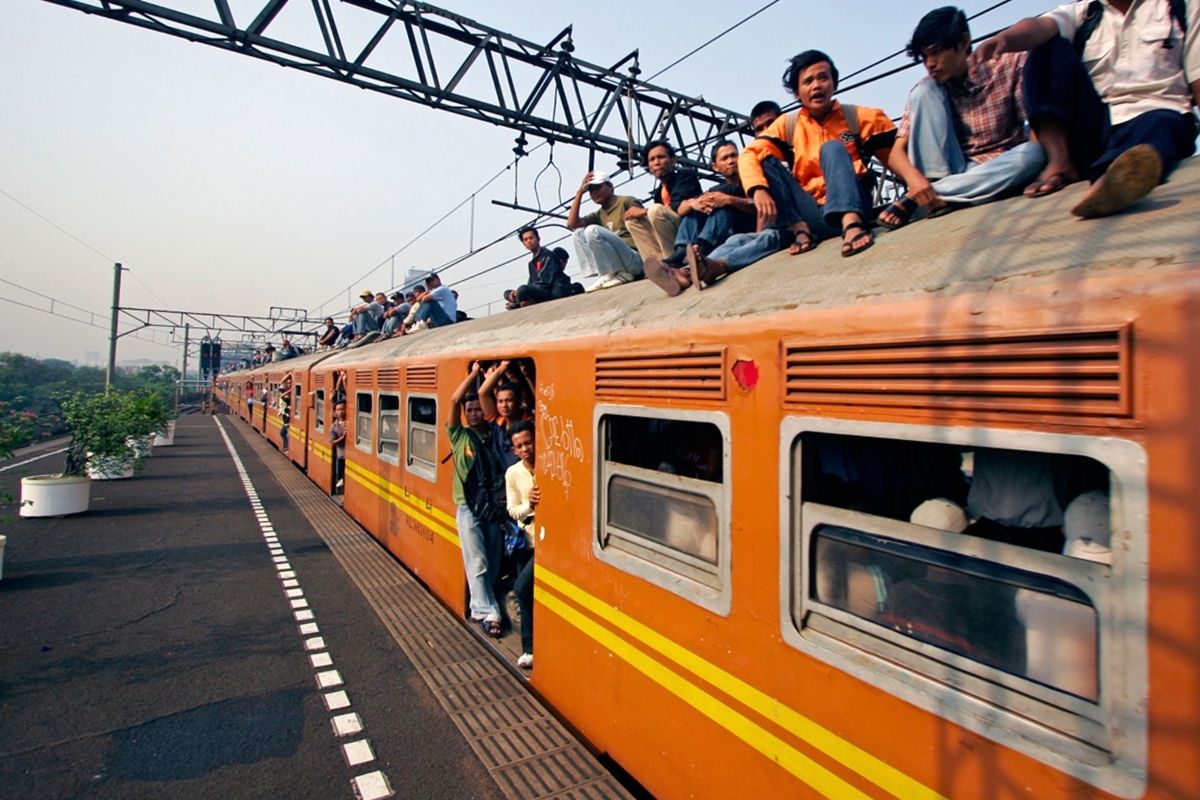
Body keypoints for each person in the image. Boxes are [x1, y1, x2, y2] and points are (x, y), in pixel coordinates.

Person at [973, 0, 1198, 216]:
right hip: (1097, 125)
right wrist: (1006, 38)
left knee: (1159, 124)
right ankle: (1059, 161)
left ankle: (1115, 179)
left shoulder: (1181, 7)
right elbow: (1040, 26)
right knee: (1046, 45)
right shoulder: (1085, 13)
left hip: (1157, 113)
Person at [739, 50, 933, 256]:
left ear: (834, 82)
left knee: (832, 147)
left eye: (823, 77)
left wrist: (916, 185)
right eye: (808, 81)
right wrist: (758, 189)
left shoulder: (860, 117)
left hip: (856, 207)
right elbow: (749, 154)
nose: (816, 86)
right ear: (797, 92)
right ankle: (800, 229)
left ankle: (851, 225)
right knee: (763, 158)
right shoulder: (788, 126)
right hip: (813, 214)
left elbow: (895, 157)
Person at [881, 6, 1047, 227]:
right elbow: (896, 154)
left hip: (999, 167)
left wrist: (1040, 171)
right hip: (955, 169)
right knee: (925, 91)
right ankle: (935, 190)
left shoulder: (1008, 64)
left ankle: (935, 196)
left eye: (936, 52)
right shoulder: (929, 89)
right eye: (924, 56)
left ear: (964, 42)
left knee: (1034, 154)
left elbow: (1036, 129)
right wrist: (915, 181)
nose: (930, 63)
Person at [644, 139, 761, 294]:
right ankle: (682, 256)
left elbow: (764, 204)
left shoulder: (754, 179)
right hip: (724, 233)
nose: (731, 161)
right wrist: (697, 202)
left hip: (747, 229)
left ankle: (698, 252)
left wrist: (728, 200)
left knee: (722, 200)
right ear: (715, 166)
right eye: (725, 158)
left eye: (734, 156)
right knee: (697, 206)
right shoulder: (713, 190)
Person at [445, 363, 508, 635]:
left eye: (477, 410)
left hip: (491, 507)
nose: (473, 413)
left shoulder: (492, 433)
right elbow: (453, 399)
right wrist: (474, 373)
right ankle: (486, 610)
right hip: (468, 507)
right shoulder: (458, 435)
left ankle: (486, 601)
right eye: (469, 411)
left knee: (492, 559)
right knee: (478, 562)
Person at [624, 140, 705, 267]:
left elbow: (676, 207)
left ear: (673, 160)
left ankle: (672, 262)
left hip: (690, 232)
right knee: (632, 222)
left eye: (661, 157)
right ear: (649, 167)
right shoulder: (658, 193)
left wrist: (643, 211)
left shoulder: (685, 176)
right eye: (652, 159)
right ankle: (657, 263)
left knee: (655, 210)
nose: (657, 162)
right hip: (672, 232)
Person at [566, 170, 645, 291]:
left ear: (610, 186)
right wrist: (579, 193)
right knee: (578, 234)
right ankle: (603, 274)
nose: (594, 192)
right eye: (591, 191)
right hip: (618, 264)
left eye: (597, 187)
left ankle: (621, 274)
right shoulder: (598, 215)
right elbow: (572, 224)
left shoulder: (626, 201)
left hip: (635, 258)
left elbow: (644, 223)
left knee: (591, 230)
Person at [505, 420, 538, 669]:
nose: (526, 448)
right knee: (525, 593)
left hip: (546, 544)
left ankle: (531, 647)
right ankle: (529, 648)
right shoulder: (513, 473)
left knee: (522, 588)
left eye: (529, 442)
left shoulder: (550, 465)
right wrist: (530, 504)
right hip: (526, 542)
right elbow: (512, 509)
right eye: (520, 445)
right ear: (514, 450)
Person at [514, 226, 573, 305]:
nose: (529, 241)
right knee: (507, 293)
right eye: (525, 240)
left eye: (531, 238)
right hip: (540, 289)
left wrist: (524, 292)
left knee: (523, 289)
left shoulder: (548, 256)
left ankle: (519, 303)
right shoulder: (531, 263)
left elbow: (544, 282)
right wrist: (516, 293)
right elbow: (531, 282)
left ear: (538, 239)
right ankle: (524, 301)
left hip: (552, 291)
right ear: (523, 243)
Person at [329, 401, 346, 493]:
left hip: (351, 457)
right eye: (339, 410)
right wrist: (342, 438)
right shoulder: (333, 427)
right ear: (335, 412)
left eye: (343, 409)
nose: (341, 411)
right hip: (342, 455)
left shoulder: (352, 422)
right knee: (342, 479)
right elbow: (332, 442)